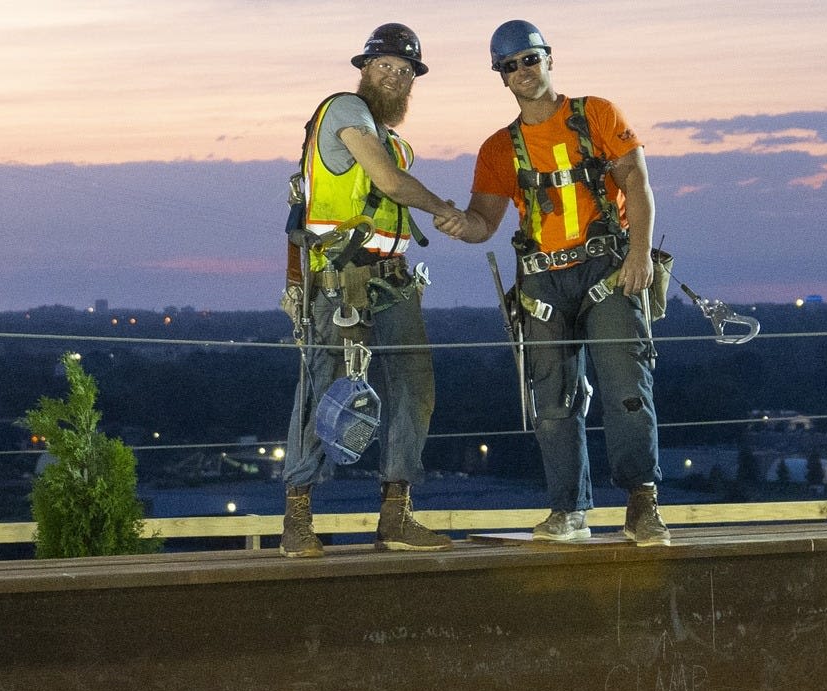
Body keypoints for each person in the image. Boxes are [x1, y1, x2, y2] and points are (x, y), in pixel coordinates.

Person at [438, 19, 669, 545]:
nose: (522, 71)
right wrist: (455, 222)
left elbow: (635, 180)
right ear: (500, 76)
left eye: (529, 59)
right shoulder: (499, 149)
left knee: (627, 390)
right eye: (509, 65)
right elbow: (483, 222)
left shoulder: (596, 114)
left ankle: (642, 504)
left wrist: (640, 255)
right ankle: (568, 512)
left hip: (607, 270)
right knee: (553, 404)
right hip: (543, 284)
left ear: (548, 57)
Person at [281, 24, 468, 559]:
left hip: (392, 280)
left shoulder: (394, 139)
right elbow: (387, 182)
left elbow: (389, 188)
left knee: (415, 386)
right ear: (364, 68)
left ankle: (396, 512)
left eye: (406, 71)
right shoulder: (344, 111)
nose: (396, 77)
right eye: (386, 66)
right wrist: (445, 209)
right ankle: (297, 516)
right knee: (325, 390)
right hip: (340, 280)